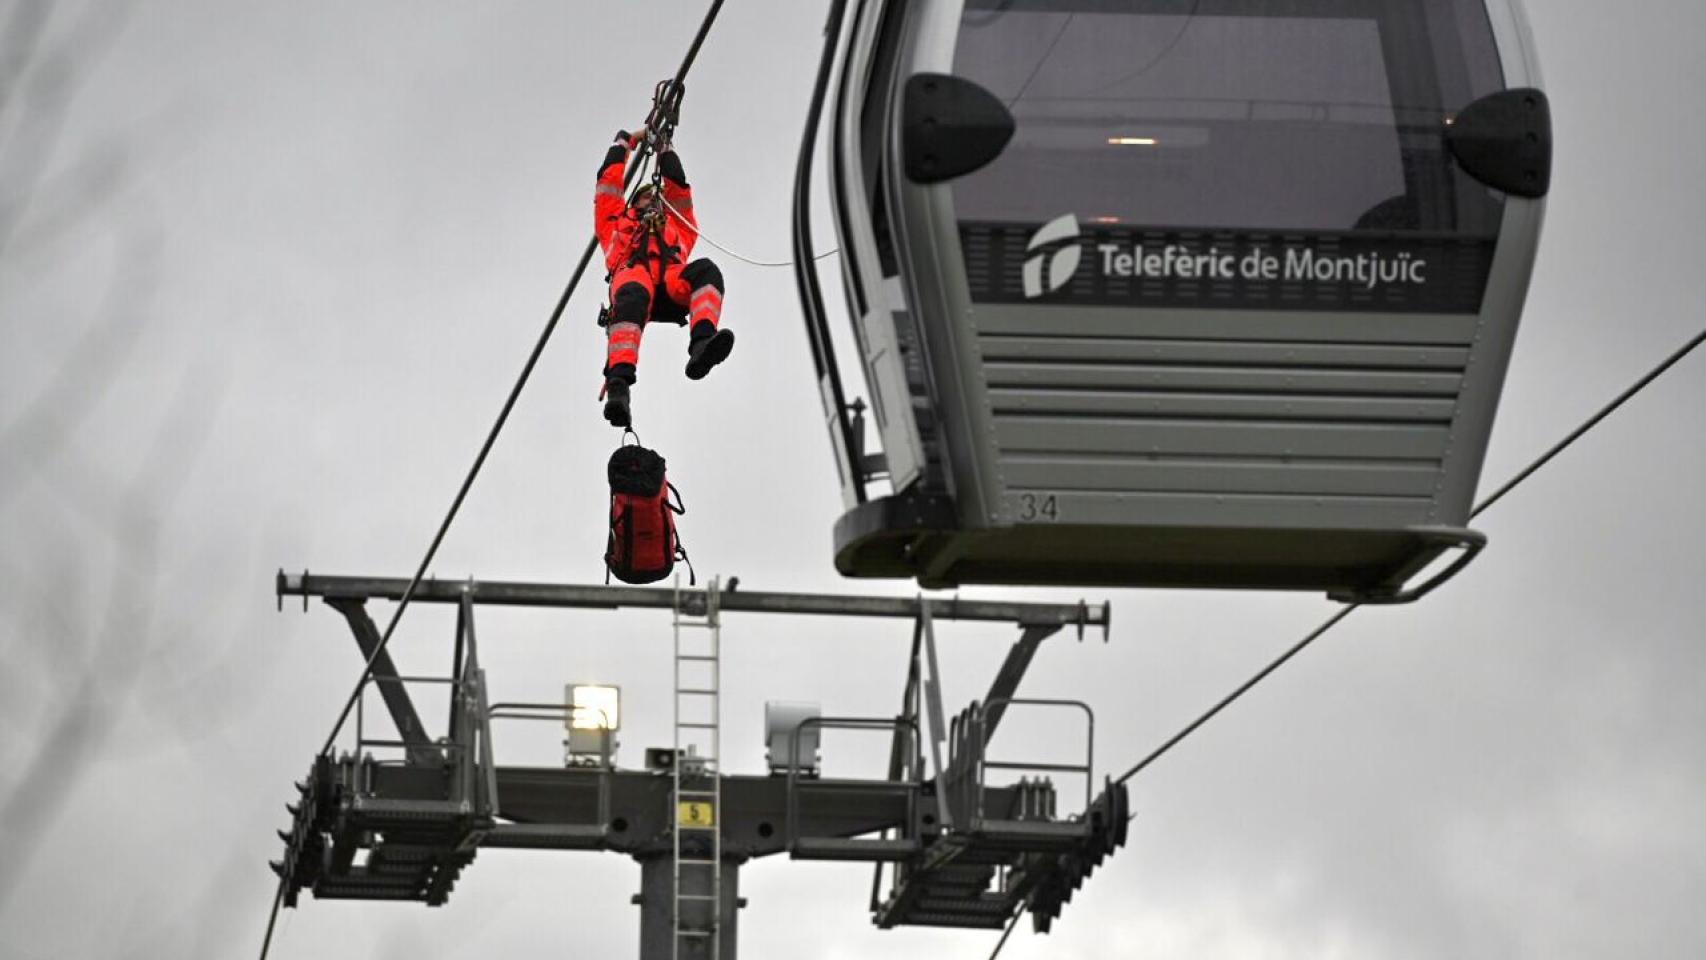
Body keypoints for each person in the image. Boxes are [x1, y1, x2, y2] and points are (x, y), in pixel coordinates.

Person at [595, 125, 735, 428]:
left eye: (658, 197)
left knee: (707, 270)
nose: (654, 200)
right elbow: (607, 184)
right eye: (647, 197)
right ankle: (619, 386)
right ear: (635, 203)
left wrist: (665, 149)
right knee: (633, 290)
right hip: (634, 281)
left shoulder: (680, 225)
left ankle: (702, 344)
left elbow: (678, 187)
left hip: (671, 285)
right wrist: (626, 142)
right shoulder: (615, 225)